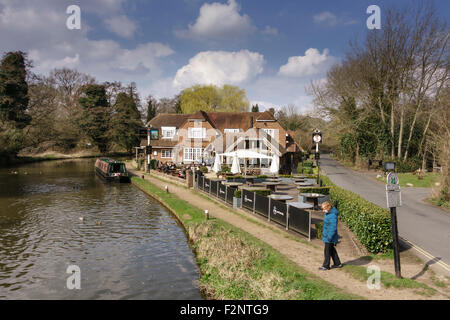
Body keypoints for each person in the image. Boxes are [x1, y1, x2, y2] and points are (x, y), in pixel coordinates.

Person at [319, 201, 343, 270]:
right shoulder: (329, 213)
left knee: (327, 251)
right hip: (329, 236)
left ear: (328, 207)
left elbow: (333, 228)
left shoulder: (332, 215)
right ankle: (337, 263)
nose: (323, 210)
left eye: (324, 209)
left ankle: (326, 266)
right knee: (332, 250)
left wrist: (329, 237)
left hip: (330, 237)